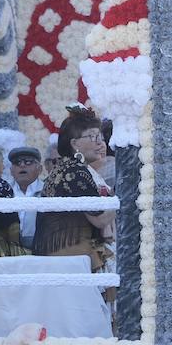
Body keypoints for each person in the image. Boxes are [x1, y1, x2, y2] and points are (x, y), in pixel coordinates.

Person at [33, 107, 114, 270]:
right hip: (66, 257)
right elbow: (100, 219)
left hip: (59, 255)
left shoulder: (68, 167)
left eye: (100, 136)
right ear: (75, 144)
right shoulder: (75, 171)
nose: (99, 142)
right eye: (92, 136)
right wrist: (120, 196)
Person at [8, 146, 44, 250]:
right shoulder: (5, 192)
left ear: (40, 169)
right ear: (11, 170)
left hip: (41, 250)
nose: (22, 165)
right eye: (17, 163)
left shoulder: (47, 191)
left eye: (28, 162)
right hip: (9, 251)